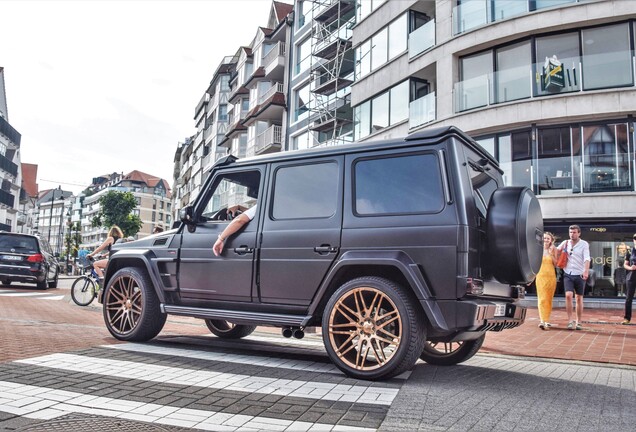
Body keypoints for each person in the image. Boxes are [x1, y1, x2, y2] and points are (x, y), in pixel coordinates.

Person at [556, 224, 591, 330]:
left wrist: (586, 271)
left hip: (580, 274)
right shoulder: (565, 243)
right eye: (570, 232)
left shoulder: (584, 244)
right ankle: (570, 321)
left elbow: (587, 258)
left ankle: (579, 321)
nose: (572, 234)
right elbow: (556, 251)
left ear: (579, 233)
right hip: (568, 273)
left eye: (574, 232)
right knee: (568, 295)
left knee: (579, 298)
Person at [536, 232, 557, 330]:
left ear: (551, 240)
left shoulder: (553, 249)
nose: (546, 240)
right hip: (540, 276)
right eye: (544, 238)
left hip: (551, 277)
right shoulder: (537, 250)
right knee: (541, 298)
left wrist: (551, 254)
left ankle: (547, 320)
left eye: (548, 238)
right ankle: (542, 320)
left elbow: (556, 264)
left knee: (548, 298)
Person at [621, 234, 636, 325]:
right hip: (631, 276)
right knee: (628, 298)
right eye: (635, 238)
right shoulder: (630, 251)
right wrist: (631, 268)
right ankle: (627, 318)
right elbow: (625, 264)